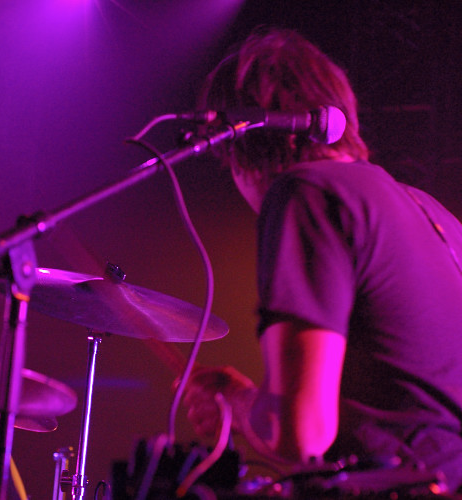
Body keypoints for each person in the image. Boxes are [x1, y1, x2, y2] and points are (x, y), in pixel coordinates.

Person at [183, 27, 462, 493]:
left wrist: (235, 400)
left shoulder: (306, 191)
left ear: (241, 143)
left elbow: (302, 434)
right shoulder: (431, 211)